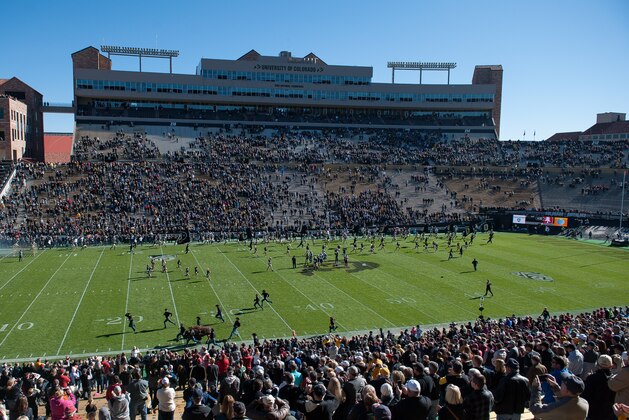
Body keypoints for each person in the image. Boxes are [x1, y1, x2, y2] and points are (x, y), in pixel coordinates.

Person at [581, 355, 615, 420]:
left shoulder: (592, 378)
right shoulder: (614, 379)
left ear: (598, 365)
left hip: (593, 412)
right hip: (609, 412)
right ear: (611, 366)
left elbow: (585, 396)